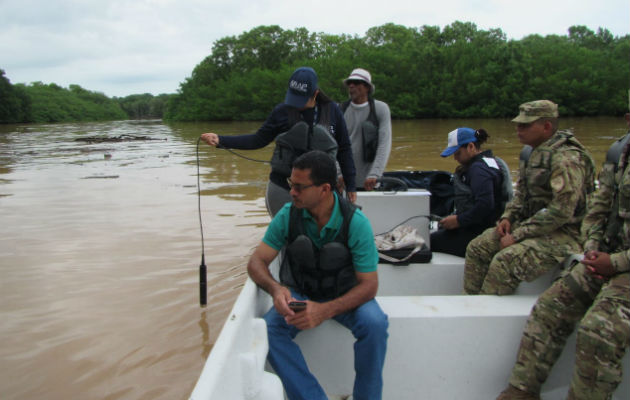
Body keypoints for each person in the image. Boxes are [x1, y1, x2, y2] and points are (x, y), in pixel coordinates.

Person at [496, 114, 630, 400]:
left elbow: (564, 210)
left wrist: (615, 263)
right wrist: (593, 248)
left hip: (621, 266)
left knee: (598, 330)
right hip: (604, 258)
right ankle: (522, 391)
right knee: (549, 306)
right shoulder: (621, 155)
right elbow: (598, 208)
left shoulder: (567, 156)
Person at [247, 150, 388, 400]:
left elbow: (369, 286)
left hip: (345, 297)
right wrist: (276, 289)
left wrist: (324, 311)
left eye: (300, 187)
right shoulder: (287, 215)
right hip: (301, 294)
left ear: (324, 189)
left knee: (374, 324)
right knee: (269, 329)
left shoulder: (356, 222)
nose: (291, 192)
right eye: (291, 184)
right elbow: (257, 261)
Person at [464, 100, 596, 295]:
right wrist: (508, 217)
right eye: (518, 124)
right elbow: (522, 194)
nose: (518, 129)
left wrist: (517, 235)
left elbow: (561, 211)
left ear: (547, 126)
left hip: (566, 233)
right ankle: (472, 305)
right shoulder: (532, 153)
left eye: (525, 125)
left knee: (505, 262)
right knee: (477, 248)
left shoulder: (566, 158)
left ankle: (487, 312)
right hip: (534, 226)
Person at [200, 67, 357, 216]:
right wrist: (221, 140)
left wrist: (351, 184)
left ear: (315, 94)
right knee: (288, 240)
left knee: (327, 238)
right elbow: (258, 140)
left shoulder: (332, 110)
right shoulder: (281, 111)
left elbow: (344, 149)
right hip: (284, 187)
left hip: (321, 190)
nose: (295, 104)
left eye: (301, 100)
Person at [430, 127, 510, 257]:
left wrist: (458, 220)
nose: (455, 158)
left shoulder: (478, 170)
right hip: (490, 225)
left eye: (458, 153)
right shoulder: (491, 162)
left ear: (471, 146)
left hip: (480, 231)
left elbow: (485, 205)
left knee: (430, 241)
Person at [340, 68, 392, 190]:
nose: (351, 86)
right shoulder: (340, 110)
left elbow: (384, 144)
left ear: (367, 88)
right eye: (349, 83)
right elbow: (333, 145)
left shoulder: (381, 109)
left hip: (370, 182)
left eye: (356, 82)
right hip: (344, 182)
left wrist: (375, 173)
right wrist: (338, 173)